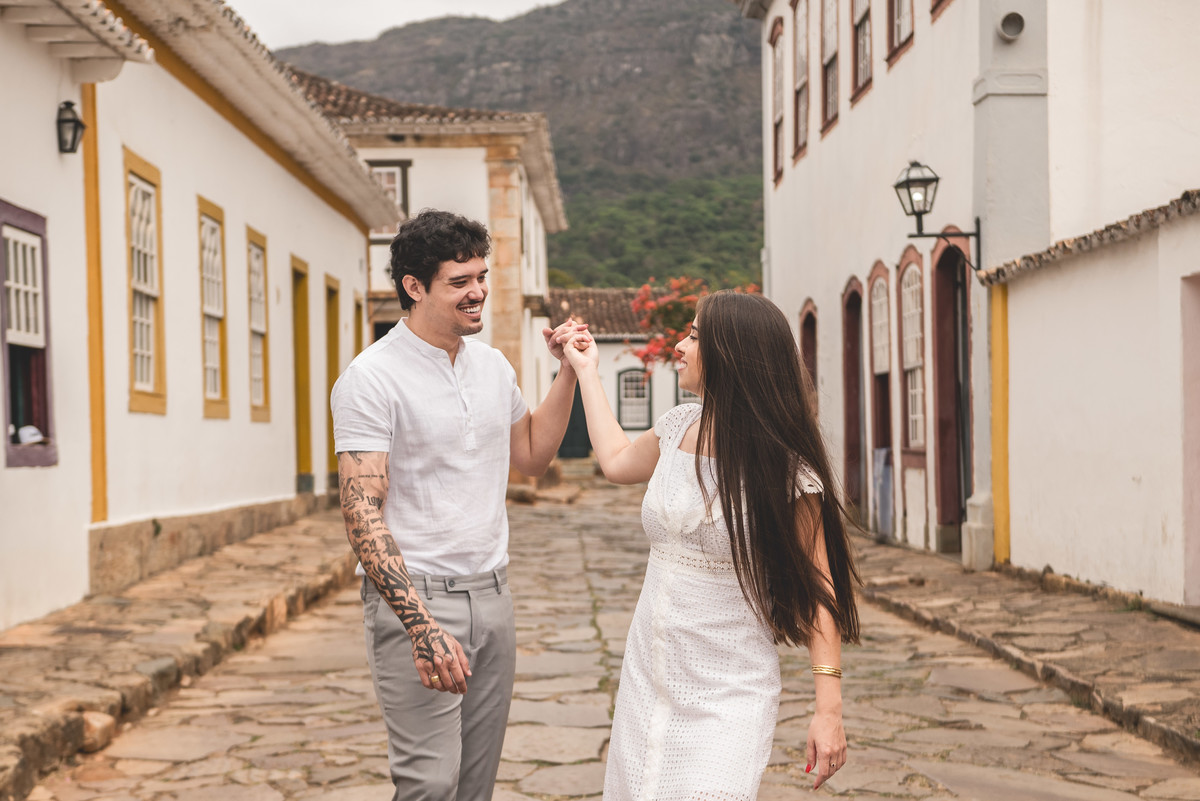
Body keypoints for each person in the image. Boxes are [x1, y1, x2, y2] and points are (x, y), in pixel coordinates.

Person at [558, 290, 861, 799]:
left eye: (694, 336)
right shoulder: (678, 426)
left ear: (733, 354)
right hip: (648, 678)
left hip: (729, 692)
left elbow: (819, 594)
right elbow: (614, 461)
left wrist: (828, 711)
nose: (679, 345)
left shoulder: (788, 472)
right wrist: (587, 370)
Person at [331, 209, 588, 801]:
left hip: (492, 595)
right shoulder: (371, 378)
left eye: (480, 276)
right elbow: (361, 511)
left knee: (474, 785)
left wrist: (568, 374)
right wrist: (420, 626)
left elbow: (530, 456)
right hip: (418, 599)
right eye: (459, 282)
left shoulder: (493, 366)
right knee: (430, 782)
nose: (477, 293)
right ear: (414, 287)